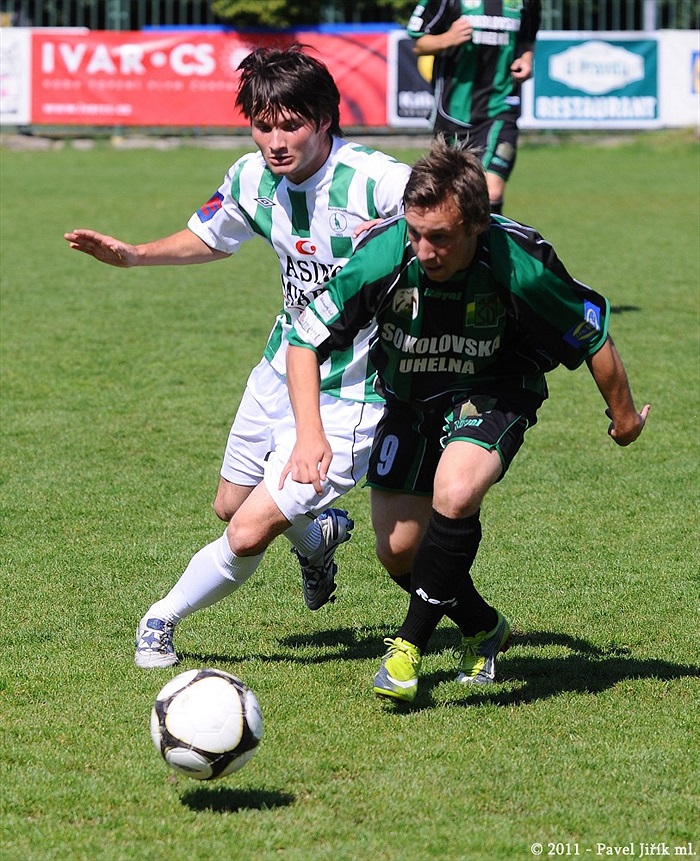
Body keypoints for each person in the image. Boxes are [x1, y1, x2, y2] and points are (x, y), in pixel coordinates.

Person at [64, 45, 411, 669]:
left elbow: (457, 217)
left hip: (356, 390)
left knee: (247, 529)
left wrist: (402, 239)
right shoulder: (251, 176)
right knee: (231, 503)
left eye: (290, 123)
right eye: (262, 124)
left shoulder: (377, 180)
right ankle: (318, 537)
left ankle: (159, 620)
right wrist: (135, 254)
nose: (275, 140)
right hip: (282, 366)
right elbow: (212, 236)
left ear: (325, 118)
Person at [282, 136, 650, 704]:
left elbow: (590, 332)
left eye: (441, 238)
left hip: (494, 391)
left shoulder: (518, 267)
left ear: (477, 225)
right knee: (399, 550)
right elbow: (304, 341)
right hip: (408, 402)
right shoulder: (383, 255)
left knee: (454, 493)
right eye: (415, 233)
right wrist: (310, 434)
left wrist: (623, 416)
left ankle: (405, 651)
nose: (425, 251)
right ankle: (485, 628)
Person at [407, 0, 541, 213]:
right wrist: (447, 38)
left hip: (500, 108)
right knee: (449, 196)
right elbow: (418, 43)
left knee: (492, 190)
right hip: (453, 113)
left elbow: (526, 40)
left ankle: (489, 246)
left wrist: (526, 60)